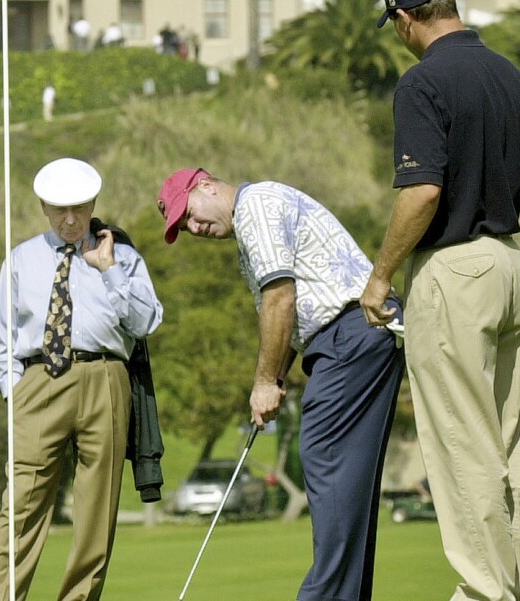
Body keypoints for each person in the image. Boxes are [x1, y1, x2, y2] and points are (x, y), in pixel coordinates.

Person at [358, 0, 520, 601]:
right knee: (503, 448)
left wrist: (380, 275)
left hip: (454, 273)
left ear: (402, 19)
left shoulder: (421, 85)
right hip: (511, 268)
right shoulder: (513, 78)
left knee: (462, 446)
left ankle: (486, 593)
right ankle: (511, 589)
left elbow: (422, 193)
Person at [157, 169, 404, 601]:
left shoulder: (256, 208)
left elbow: (280, 299)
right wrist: (275, 375)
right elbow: (289, 318)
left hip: (349, 334)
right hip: (353, 337)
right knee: (347, 480)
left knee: (323, 456)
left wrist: (264, 382)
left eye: (190, 215)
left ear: (207, 185)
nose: (194, 228)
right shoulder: (254, 220)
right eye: (184, 227)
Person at [0, 158, 162, 601]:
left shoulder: (124, 257)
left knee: (97, 508)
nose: (69, 219)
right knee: (22, 504)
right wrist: (17, 392)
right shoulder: (22, 258)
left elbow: (145, 322)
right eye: (60, 209)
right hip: (40, 379)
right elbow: (0, 342)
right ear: (43, 206)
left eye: (79, 208)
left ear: (92, 204)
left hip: (106, 378)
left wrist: (110, 269)